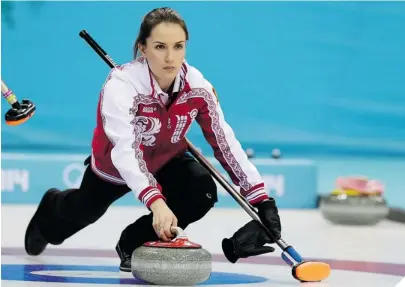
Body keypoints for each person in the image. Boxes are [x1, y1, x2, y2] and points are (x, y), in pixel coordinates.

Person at [24, 7, 282, 271]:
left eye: (178, 46)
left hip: (166, 160)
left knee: (200, 191)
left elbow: (224, 142)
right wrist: (156, 202)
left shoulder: (199, 88)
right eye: (160, 47)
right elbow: (124, 149)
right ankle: (50, 211)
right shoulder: (121, 85)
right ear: (143, 48)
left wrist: (261, 199)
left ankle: (134, 244)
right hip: (116, 167)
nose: (170, 58)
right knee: (82, 213)